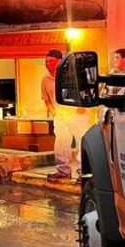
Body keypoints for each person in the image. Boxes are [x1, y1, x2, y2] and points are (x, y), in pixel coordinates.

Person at [42, 49, 91, 182]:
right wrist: (53, 111)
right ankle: (63, 170)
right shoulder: (45, 79)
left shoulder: (72, 75)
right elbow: (46, 98)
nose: (47, 64)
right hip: (60, 115)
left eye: (51, 61)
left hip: (76, 113)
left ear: (59, 61)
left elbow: (85, 91)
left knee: (82, 141)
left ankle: (84, 172)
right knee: (61, 143)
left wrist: (81, 107)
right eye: (46, 61)